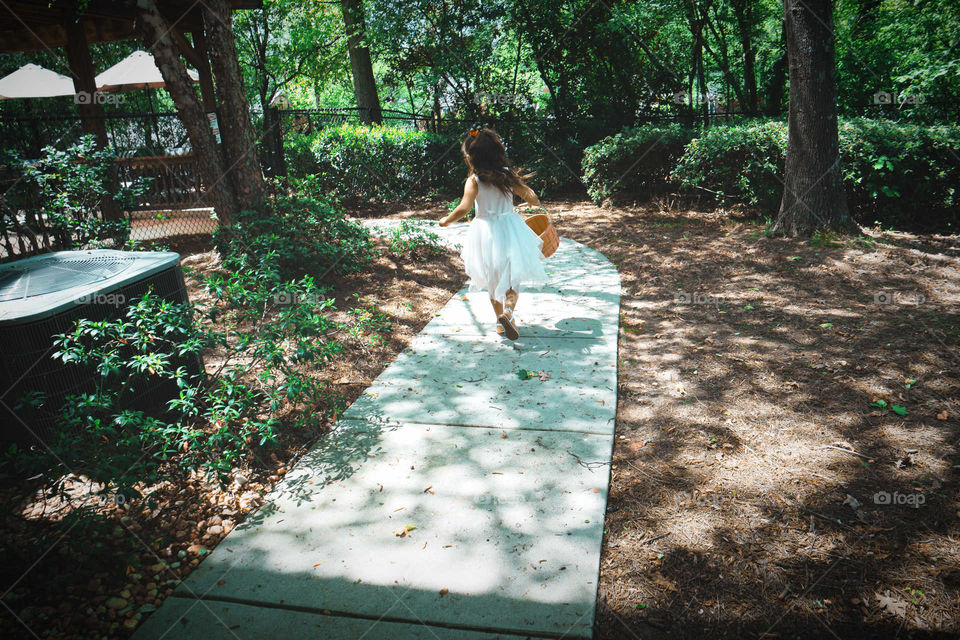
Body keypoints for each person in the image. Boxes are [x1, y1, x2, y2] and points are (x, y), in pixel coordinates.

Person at [439, 127, 547, 340]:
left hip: (485, 234)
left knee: (492, 280)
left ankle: (500, 320)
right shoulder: (506, 177)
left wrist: (446, 220)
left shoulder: (473, 181)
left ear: (471, 158)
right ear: (498, 153)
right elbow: (532, 198)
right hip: (511, 230)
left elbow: (463, 208)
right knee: (512, 279)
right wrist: (530, 198)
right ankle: (509, 311)